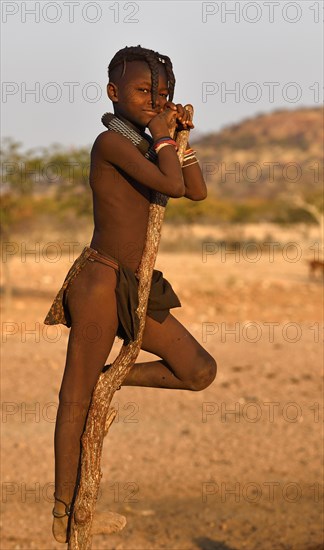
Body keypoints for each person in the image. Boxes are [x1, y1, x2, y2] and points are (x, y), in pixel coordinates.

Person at [44, 45, 217, 543]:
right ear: (113, 93)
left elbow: (196, 188)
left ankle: (110, 379)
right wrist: (164, 137)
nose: (153, 100)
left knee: (199, 370)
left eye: (163, 94)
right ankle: (65, 512)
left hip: (136, 286)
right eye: (144, 92)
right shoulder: (110, 144)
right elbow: (174, 186)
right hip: (100, 281)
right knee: (73, 398)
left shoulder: (149, 144)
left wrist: (181, 136)